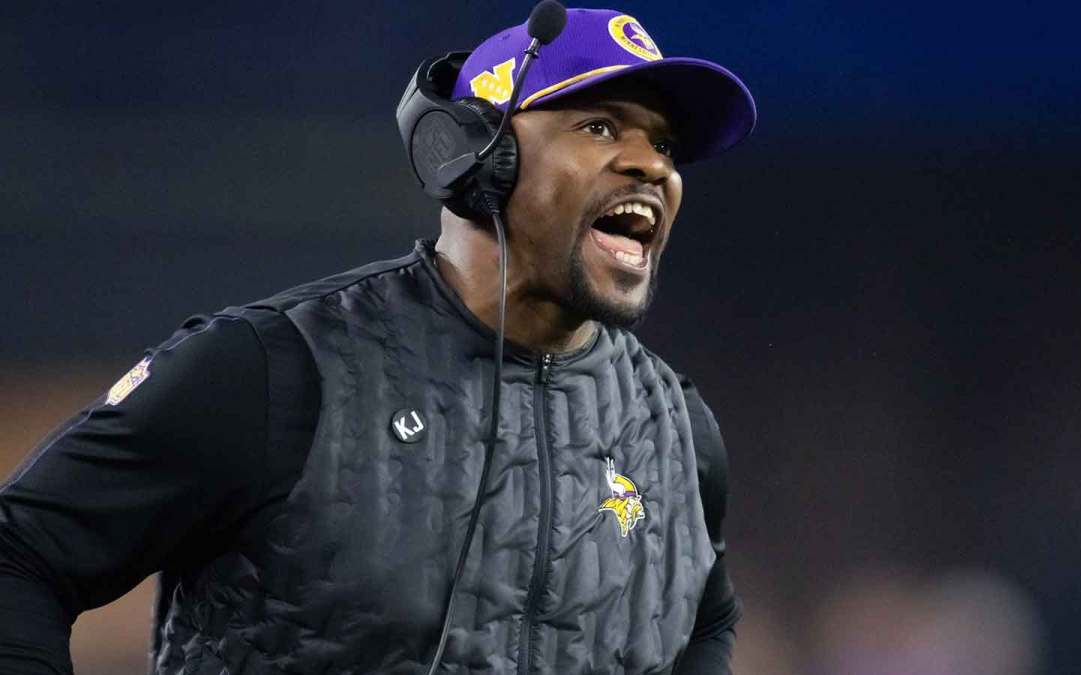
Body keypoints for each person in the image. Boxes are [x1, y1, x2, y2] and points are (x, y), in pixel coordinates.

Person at [0, 6, 755, 674]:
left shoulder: (676, 431)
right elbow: (21, 553)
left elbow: (705, 622)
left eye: (665, 145)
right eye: (600, 127)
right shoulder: (275, 370)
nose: (651, 165)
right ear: (477, 156)